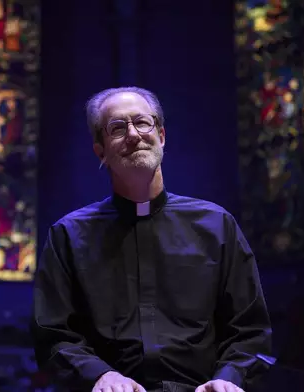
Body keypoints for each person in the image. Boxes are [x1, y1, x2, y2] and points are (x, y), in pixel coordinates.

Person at [31, 87, 272, 392]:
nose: (133, 135)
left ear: (161, 134)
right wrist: (101, 376)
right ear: (100, 150)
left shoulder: (217, 225)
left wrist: (228, 379)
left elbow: (249, 329)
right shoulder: (68, 235)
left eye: (142, 123)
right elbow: (52, 334)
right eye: (117, 128)